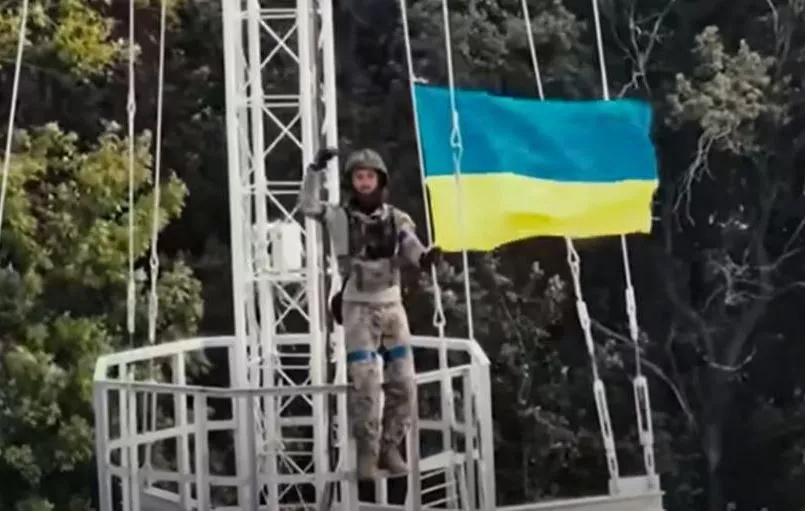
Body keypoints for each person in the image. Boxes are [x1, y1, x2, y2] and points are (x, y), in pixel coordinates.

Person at [299, 146, 441, 480]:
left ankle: (391, 446)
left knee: (404, 382)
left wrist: (424, 258)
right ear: (351, 182)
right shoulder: (338, 217)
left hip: (391, 304)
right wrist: (314, 171)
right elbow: (307, 205)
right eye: (359, 177)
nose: (364, 183)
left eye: (370, 177)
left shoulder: (396, 218)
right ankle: (367, 453)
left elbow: (409, 242)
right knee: (365, 383)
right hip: (357, 307)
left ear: (380, 180)